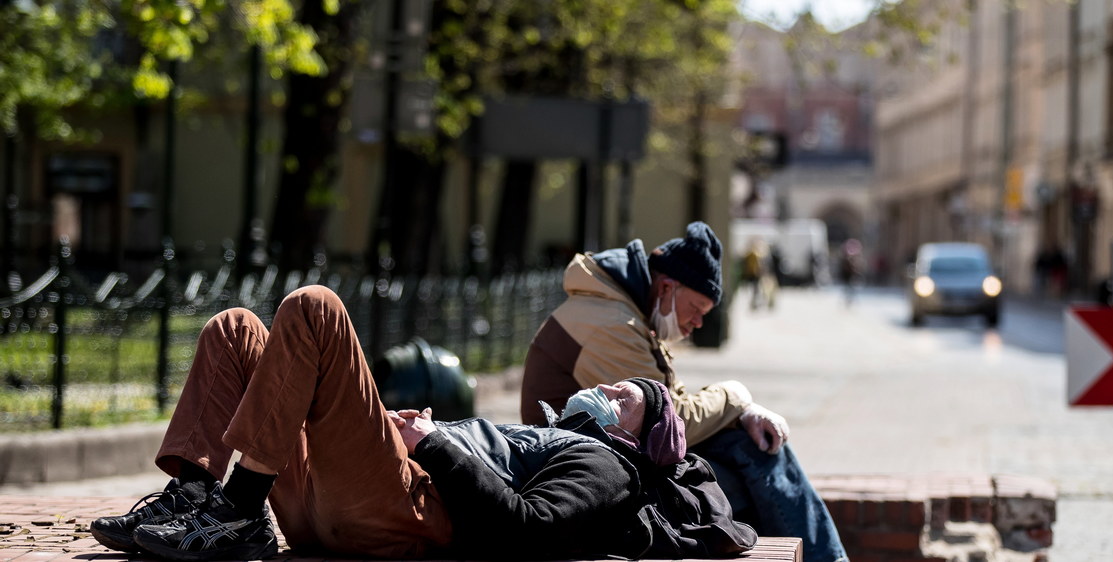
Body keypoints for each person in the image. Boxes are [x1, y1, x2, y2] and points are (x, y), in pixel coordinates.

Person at [89, 285, 753, 561]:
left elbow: (526, 529)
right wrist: (436, 432)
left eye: (628, 396)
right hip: (337, 501)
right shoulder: (554, 436)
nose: (606, 389)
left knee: (316, 308)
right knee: (236, 328)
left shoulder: (609, 465)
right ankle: (203, 498)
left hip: (402, 513)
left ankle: (232, 511)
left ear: (639, 435)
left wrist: (434, 445)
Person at [520, 222, 849, 562]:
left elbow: (668, 414)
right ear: (666, 287)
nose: (698, 323)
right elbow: (668, 425)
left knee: (747, 453)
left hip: (605, 463)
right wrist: (737, 397)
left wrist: (742, 415)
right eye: (696, 309)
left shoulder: (622, 315)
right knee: (752, 466)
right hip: (581, 477)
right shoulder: (612, 326)